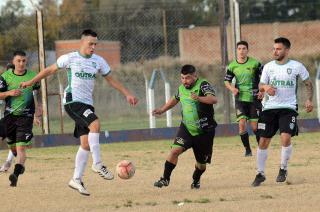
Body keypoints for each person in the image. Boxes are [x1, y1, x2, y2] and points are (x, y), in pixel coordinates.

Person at [20, 29, 138, 196]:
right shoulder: (70, 58)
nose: (93, 47)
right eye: (90, 43)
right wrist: (31, 82)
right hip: (72, 101)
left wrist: (127, 93)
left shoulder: (99, 61)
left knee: (86, 144)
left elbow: (111, 79)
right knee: (95, 124)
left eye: (95, 44)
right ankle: (97, 164)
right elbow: (49, 70)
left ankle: (76, 179)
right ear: (82, 42)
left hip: (87, 104)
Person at [251, 37, 313, 187]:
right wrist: (266, 88)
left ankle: (283, 169)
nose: (275, 51)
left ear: (286, 50)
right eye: (274, 48)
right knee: (263, 141)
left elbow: (308, 83)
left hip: (288, 108)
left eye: (278, 49)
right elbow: (260, 85)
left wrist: (309, 99)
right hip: (269, 108)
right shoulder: (268, 67)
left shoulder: (297, 66)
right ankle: (260, 174)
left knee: (285, 138)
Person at [153, 64, 217, 189]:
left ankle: (196, 180)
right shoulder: (182, 88)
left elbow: (213, 99)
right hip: (187, 128)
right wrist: (162, 110)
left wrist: (198, 98)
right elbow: (175, 99)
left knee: (201, 165)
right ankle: (165, 179)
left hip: (204, 132)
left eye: (187, 78)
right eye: (182, 78)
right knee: (174, 151)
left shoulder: (203, 85)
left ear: (195, 76)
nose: (184, 81)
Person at [0, 50, 41, 186]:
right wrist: (10, 92)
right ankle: (18, 164)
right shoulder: (5, 77)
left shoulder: (32, 76)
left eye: (23, 61)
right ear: (13, 62)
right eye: (18, 61)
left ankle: (15, 175)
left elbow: (36, 95)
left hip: (26, 117)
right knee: (13, 148)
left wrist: (37, 111)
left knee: (21, 148)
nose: (21, 63)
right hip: (9, 117)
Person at [224, 41, 263, 157]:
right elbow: (227, 81)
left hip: (254, 99)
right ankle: (247, 150)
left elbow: (266, 76)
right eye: (239, 48)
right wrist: (232, 89)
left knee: (255, 127)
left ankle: (261, 149)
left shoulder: (255, 63)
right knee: (241, 125)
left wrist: (262, 90)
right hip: (240, 99)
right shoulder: (232, 66)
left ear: (247, 50)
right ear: (237, 50)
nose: (241, 51)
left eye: (244, 48)